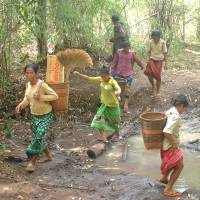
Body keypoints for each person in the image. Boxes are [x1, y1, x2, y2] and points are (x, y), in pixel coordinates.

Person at [16, 63, 58, 172]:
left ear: (36, 73)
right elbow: (27, 99)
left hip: (46, 115)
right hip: (34, 116)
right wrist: (20, 105)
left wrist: (41, 97)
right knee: (39, 138)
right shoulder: (28, 85)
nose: (29, 75)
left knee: (39, 136)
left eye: (31, 73)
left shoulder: (42, 85)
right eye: (27, 73)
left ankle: (31, 163)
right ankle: (48, 156)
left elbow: (55, 96)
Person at [73, 66, 121, 142]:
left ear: (109, 74)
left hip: (113, 106)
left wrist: (118, 92)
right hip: (104, 105)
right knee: (98, 121)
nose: (102, 77)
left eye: (104, 76)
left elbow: (118, 88)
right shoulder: (100, 79)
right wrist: (79, 74)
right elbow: (89, 78)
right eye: (101, 76)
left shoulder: (112, 82)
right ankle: (104, 138)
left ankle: (118, 136)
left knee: (115, 122)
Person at [160, 95, 189, 197]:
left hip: (163, 145)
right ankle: (168, 189)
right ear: (181, 105)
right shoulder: (176, 117)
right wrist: (174, 144)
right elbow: (167, 132)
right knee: (180, 166)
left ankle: (164, 178)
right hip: (169, 146)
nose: (184, 110)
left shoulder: (169, 111)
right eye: (184, 108)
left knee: (173, 163)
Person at [112, 41, 144, 113]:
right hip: (119, 74)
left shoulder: (131, 53)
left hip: (128, 74)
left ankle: (126, 104)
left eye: (128, 47)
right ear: (123, 48)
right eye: (125, 47)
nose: (127, 49)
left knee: (128, 89)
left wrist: (141, 65)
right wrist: (112, 69)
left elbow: (137, 60)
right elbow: (115, 61)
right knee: (119, 88)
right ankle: (118, 103)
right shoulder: (119, 52)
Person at [144, 30, 167, 98]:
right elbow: (149, 51)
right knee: (148, 73)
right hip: (152, 59)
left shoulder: (163, 42)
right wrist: (148, 59)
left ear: (159, 37)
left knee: (157, 75)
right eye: (153, 37)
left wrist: (166, 63)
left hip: (159, 60)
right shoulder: (150, 42)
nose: (154, 39)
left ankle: (158, 91)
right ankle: (153, 86)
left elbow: (165, 52)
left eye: (156, 37)